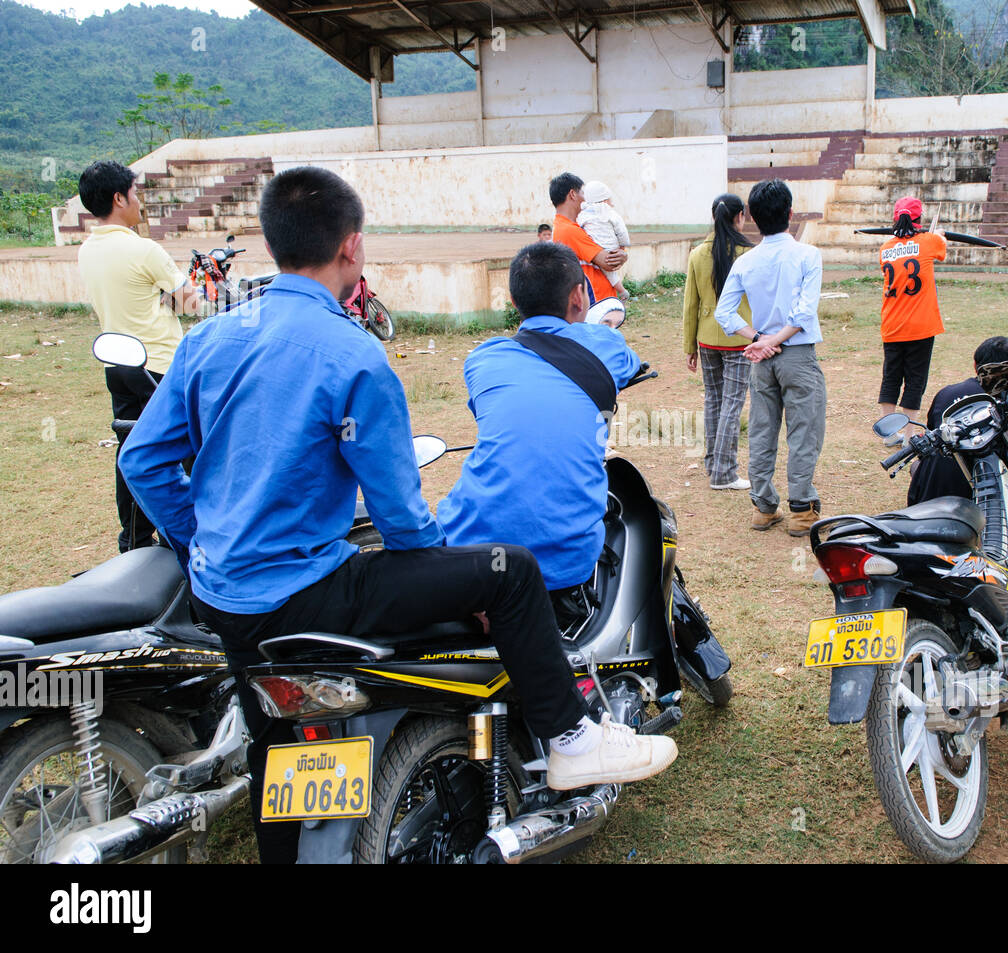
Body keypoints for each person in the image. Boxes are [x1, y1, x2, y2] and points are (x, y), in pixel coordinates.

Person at [118, 168, 675, 863]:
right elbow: (403, 521)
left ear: (274, 240)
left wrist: (199, 542)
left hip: (224, 600)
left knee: (273, 746)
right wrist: (453, 572)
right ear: (352, 247)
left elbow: (142, 460)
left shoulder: (210, 339)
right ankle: (571, 739)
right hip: (316, 594)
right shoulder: (353, 353)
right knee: (509, 572)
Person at [438, 241, 641, 631]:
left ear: (514, 300)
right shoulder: (604, 345)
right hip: (565, 562)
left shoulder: (483, 358)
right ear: (579, 295)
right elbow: (629, 364)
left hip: (468, 548)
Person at [77, 159, 202, 552]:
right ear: (118, 198)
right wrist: (176, 295)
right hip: (160, 366)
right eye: (134, 193)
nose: (139, 201)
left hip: (118, 365)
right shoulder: (144, 249)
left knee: (131, 447)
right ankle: (190, 533)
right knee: (183, 451)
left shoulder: (87, 250)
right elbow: (192, 302)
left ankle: (133, 538)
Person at [713, 179, 826, 537]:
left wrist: (760, 340)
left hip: (762, 359)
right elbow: (804, 313)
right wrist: (773, 340)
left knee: (762, 431)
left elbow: (724, 314)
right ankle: (801, 510)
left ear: (753, 220)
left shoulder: (747, 261)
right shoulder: (808, 255)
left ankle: (763, 507)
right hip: (797, 355)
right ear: (790, 214)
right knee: (803, 433)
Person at [907, 336, 1008, 506]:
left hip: (927, 496)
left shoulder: (947, 393)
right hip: (986, 498)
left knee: (921, 462)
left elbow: (932, 431)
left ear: (976, 366)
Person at [683, 193, 755, 492]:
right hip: (739, 338)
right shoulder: (747, 253)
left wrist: (689, 347)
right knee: (731, 405)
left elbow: (690, 304)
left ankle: (714, 462)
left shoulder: (698, 253)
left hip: (706, 339)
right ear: (740, 216)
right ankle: (723, 473)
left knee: (714, 401)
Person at [877, 196, 947, 445]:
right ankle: (909, 434)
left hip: (892, 324)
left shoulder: (885, 248)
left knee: (891, 377)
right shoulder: (929, 241)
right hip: (920, 325)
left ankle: (888, 433)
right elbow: (941, 251)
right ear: (919, 219)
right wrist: (939, 234)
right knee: (915, 379)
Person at [549, 172, 627, 303]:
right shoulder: (569, 230)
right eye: (583, 193)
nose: (586, 199)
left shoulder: (566, 227)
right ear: (573, 194)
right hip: (596, 302)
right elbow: (609, 262)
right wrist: (623, 254)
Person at [576, 180, 632, 301]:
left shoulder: (583, 214)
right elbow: (621, 231)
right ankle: (622, 291)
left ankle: (621, 290)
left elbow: (578, 227)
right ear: (605, 200)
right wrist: (622, 247)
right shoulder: (612, 213)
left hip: (597, 248)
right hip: (612, 247)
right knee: (611, 271)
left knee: (609, 273)